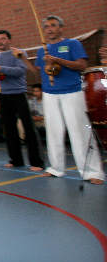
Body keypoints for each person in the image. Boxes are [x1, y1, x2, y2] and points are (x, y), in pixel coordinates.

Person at [30, 15, 104, 184]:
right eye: (47, 26)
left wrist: (57, 60)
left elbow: (81, 66)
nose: (49, 28)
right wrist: (22, 59)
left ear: (61, 28)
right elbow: (39, 72)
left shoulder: (72, 44)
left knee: (80, 131)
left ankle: (93, 172)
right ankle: (55, 168)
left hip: (72, 92)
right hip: (49, 94)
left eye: (53, 25)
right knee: (53, 132)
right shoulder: (43, 50)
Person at [0, 30, 44, 171]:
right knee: (9, 129)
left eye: (3, 39)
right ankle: (16, 160)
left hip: (19, 94)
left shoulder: (18, 53)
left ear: (9, 40)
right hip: (3, 95)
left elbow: (20, 70)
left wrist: (2, 68)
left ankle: (37, 162)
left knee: (28, 128)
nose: (0, 42)